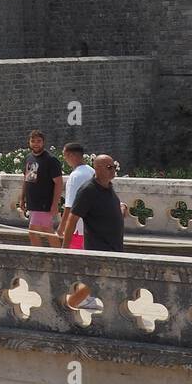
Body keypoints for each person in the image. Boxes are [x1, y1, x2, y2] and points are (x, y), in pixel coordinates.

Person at [64, 155, 128, 310]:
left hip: (114, 244)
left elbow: (107, 208)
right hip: (99, 245)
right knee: (95, 280)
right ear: (97, 169)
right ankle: (70, 305)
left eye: (114, 167)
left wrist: (121, 209)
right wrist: (64, 248)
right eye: (109, 168)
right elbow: (72, 219)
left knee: (105, 280)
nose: (113, 171)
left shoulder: (108, 187)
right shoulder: (88, 190)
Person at [16, 130, 63, 247]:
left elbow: (58, 183)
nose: (36, 144)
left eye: (38, 141)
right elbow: (26, 179)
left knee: (35, 231)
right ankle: (56, 255)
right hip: (33, 202)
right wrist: (22, 198)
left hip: (44, 202)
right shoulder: (28, 158)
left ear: (43, 142)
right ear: (29, 142)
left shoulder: (51, 159)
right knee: (44, 230)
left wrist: (54, 204)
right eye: (33, 141)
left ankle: (55, 255)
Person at [58, 143, 94, 250]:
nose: (65, 159)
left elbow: (69, 207)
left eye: (65, 156)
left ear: (71, 156)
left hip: (78, 228)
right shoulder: (92, 171)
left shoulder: (75, 177)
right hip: (91, 227)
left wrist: (62, 227)